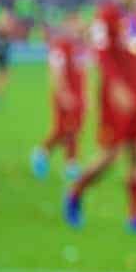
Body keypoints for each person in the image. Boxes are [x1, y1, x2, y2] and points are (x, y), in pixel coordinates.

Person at [64, 0, 136, 235]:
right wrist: (116, 87)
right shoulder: (106, 15)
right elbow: (102, 55)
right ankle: (75, 191)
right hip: (115, 98)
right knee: (111, 155)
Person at [32, 11, 90, 181]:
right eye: (73, 24)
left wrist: (85, 95)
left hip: (79, 95)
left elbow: (83, 72)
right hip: (65, 95)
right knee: (63, 129)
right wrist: (63, 92)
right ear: (66, 26)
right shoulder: (60, 45)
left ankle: (71, 164)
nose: (77, 27)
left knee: (75, 130)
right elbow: (55, 71)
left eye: (78, 23)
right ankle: (42, 153)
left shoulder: (81, 46)